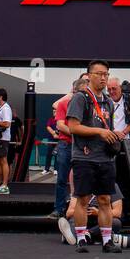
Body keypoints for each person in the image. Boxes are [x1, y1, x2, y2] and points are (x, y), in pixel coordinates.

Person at [66, 60, 122, 253]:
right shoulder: (80, 98)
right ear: (89, 75)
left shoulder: (108, 101)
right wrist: (99, 132)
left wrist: (112, 135)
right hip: (84, 156)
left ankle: (107, 240)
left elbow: (108, 128)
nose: (103, 78)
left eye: (106, 74)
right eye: (99, 74)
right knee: (82, 199)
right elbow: (73, 127)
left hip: (105, 157)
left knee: (105, 199)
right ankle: (81, 237)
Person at [48, 77, 87, 218]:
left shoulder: (89, 105)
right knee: (62, 179)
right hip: (66, 144)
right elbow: (59, 125)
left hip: (82, 145)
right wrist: (76, 131)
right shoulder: (64, 103)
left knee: (84, 178)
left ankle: (82, 208)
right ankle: (59, 209)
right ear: (74, 91)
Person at [106, 76, 130, 141]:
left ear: (120, 88)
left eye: (114, 88)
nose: (111, 91)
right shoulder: (105, 102)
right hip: (110, 140)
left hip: (128, 141)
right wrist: (114, 134)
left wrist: (123, 133)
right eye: (109, 89)